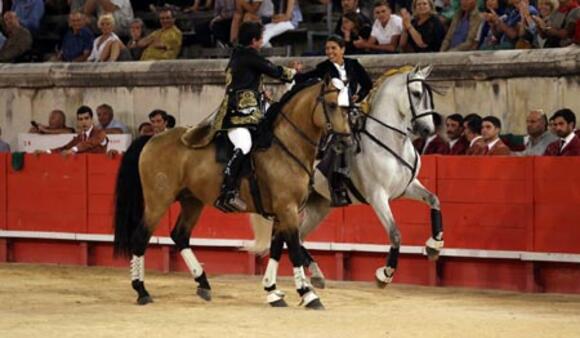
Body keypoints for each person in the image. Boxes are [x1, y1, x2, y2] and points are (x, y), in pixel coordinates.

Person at [213, 21, 296, 212]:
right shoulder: (249, 55)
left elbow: (246, 82)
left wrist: (260, 94)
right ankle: (227, 189)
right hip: (238, 115)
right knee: (244, 145)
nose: (262, 43)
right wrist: (293, 73)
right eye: (261, 39)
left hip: (249, 111)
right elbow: (274, 71)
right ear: (254, 40)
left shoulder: (240, 54)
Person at [293, 35, 372, 206]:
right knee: (338, 143)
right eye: (327, 49)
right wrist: (296, 73)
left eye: (333, 48)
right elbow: (306, 79)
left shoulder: (354, 64)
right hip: (333, 113)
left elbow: (367, 84)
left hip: (351, 109)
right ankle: (337, 185)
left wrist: (360, 95)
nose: (329, 52)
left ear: (342, 49)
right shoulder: (324, 67)